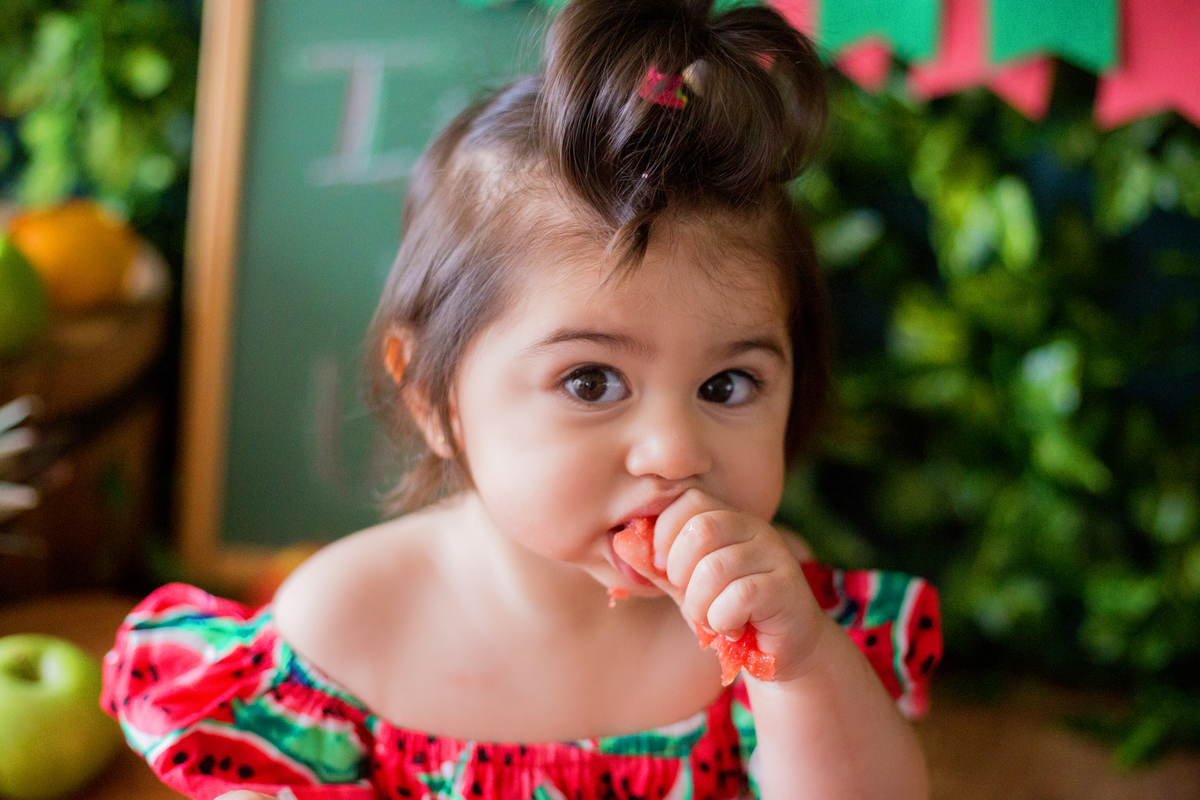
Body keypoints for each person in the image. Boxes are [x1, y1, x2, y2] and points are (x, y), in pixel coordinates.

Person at [102, 0, 942, 797]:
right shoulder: (345, 627)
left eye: (727, 385)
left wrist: (801, 669)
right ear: (433, 395)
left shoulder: (775, 611)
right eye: (591, 381)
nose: (676, 450)